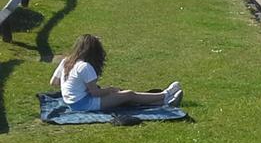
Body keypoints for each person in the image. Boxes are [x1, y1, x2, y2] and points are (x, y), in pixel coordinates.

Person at [50, 34, 182, 111]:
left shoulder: (66, 61)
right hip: (82, 104)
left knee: (123, 95)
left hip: (73, 101)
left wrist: (71, 87)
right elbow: (95, 93)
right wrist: (110, 90)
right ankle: (165, 95)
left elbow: (54, 82)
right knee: (128, 94)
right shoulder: (84, 66)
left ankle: (163, 102)